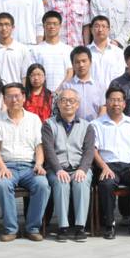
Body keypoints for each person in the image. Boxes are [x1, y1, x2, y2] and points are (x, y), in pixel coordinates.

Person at [0, 83, 50, 242]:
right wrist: (1, 167)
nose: (14, 99)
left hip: (29, 167)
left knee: (42, 184)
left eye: (17, 96)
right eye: (9, 96)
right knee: (2, 184)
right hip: (7, 166)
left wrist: (39, 164)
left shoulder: (33, 119)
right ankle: (11, 229)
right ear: (4, 99)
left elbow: (39, 146)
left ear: (23, 97)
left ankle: (32, 228)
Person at [92, 87, 130, 239]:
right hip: (108, 166)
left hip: (129, 167)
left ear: (124, 104)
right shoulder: (96, 124)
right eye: (112, 100)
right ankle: (109, 224)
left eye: (119, 100)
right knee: (106, 184)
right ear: (106, 102)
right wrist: (104, 167)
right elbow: (93, 151)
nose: (116, 103)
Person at [42, 88, 96, 242]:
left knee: (81, 182)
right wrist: (58, 170)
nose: (68, 104)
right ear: (58, 103)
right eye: (64, 100)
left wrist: (83, 169)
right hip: (57, 168)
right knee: (61, 183)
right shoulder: (49, 124)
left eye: (72, 100)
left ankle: (80, 227)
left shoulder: (87, 126)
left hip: (80, 167)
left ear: (77, 104)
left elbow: (89, 151)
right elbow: (49, 150)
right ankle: (63, 227)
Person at [57, 46, 106, 121]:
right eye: (77, 62)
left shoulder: (100, 86)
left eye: (84, 61)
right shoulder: (66, 86)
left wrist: (96, 125)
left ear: (90, 62)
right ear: (72, 65)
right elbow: (63, 110)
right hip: (72, 126)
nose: (81, 65)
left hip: (95, 126)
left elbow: (103, 109)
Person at [0, 12, 33, 85]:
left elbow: (25, 76)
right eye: (0, 25)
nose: (4, 28)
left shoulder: (23, 49)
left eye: (7, 24)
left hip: (16, 90)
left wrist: (23, 91)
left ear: (13, 27)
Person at [31, 11, 73, 92]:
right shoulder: (35, 50)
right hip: (42, 94)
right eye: (48, 24)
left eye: (55, 24)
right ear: (43, 26)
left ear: (60, 26)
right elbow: (34, 74)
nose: (52, 26)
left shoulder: (68, 49)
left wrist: (58, 92)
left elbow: (70, 73)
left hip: (63, 94)